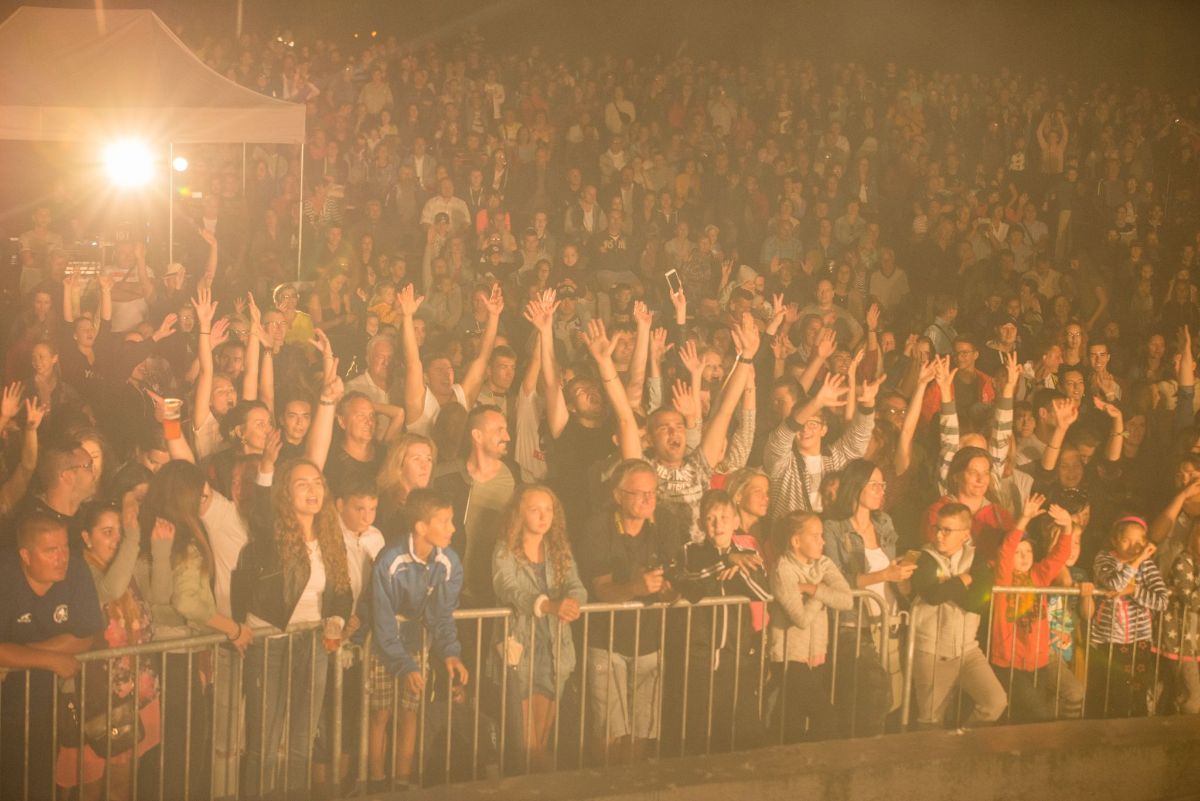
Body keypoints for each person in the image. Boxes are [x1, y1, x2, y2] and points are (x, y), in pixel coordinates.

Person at [235, 443, 353, 800]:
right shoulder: (271, 535)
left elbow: (342, 590)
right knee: (264, 741)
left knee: (303, 737)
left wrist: (336, 619)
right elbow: (259, 514)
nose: (312, 490)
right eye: (302, 484)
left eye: (317, 483)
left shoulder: (331, 535)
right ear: (285, 493)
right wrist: (267, 468)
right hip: (270, 641)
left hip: (312, 641)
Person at [574, 459, 686, 763]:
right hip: (606, 640)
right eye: (639, 493)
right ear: (618, 495)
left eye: (653, 492)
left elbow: (673, 579)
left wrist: (671, 591)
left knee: (641, 732)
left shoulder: (666, 521)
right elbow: (601, 589)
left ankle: (635, 784)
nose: (648, 499)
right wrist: (635, 587)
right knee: (610, 733)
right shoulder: (598, 526)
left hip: (649, 639)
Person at [370, 488, 469, 792]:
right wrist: (403, 664)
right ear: (421, 527)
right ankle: (374, 785)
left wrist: (450, 653)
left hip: (417, 644)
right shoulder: (390, 560)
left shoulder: (449, 562)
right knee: (380, 714)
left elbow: (441, 615)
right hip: (383, 648)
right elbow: (383, 621)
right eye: (444, 521)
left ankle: (402, 783)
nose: (453, 528)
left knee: (409, 712)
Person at [0, 515, 102, 801]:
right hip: (6, 701)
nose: (62, 558)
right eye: (50, 551)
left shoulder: (76, 570)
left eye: (65, 547)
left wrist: (17, 654)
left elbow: (85, 636)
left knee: (40, 782)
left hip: (46, 703)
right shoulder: (4, 576)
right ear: (25, 556)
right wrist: (52, 660)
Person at [490, 485, 586, 770]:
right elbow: (507, 587)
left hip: (554, 647)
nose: (543, 516)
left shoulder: (559, 550)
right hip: (519, 646)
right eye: (535, 510)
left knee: (540, 741)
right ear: (519, 514)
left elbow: (576, 585)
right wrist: (545, 604)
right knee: (525, 742)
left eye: (548, 510)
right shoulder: (505, 550)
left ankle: (540, 783)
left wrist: (572, 602)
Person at [822, 459, 912, 736]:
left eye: (882, 485)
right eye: (874, 484)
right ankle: (862, 753)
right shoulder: (833, 528)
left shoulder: (884, 523)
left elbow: (891, 571)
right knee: (873, 692)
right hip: (854, 625)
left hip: (887, 622)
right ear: (856, 486)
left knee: (891, 698)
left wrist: (902, 575)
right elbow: (837, 581)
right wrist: (884, 574)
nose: (880, 490)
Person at [910, 502, 1008, 728]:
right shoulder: (922, 557)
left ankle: (961, 740)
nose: (939, 535)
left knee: (995, 702)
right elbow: (933, 595)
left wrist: (949, 586)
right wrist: (964, 580)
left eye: (947, 530)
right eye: (937, 528)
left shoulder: (977, 559)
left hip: (968, 650)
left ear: (965, 535)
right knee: (930, 721)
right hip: (932, 651)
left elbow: (977, 603)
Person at [987, 495, 1085, 721]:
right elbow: (1006, 551)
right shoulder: (1004, 579)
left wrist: (1067, 527)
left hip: (1038, 661)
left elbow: (1058, 557)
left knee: (1035, 718)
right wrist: (1024, 519)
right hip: (1010, 662)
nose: (1024, 557)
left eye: (1028, 551)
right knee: (1037, 715)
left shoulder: (1038, 576)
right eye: (1018, 552)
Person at [766, 510, 852, 742]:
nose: (822, 541)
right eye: (815, 536)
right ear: (796, 541)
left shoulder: (823, 563)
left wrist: (813, 589)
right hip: (790, 658)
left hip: (816, 654)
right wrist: (821, 594)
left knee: (791, 722)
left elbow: (846, 600)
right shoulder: (783, 569)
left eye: (822, 535)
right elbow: (801, 619)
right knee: (826, 716)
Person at [1089, 517, 1170, 718]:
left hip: (1139, 640)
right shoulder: (1104, 559)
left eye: (1138, 542)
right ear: (1115, 540)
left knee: (1138, 690)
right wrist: (1136, 562)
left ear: (1145, 543)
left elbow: (1162, 601)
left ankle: (1136, 732)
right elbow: (1115, 584)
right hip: (1108, 640)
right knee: (1113, 691)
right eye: (1126, 540)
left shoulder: (1147, 566)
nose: (1133, 547)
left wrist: (1134, 590)